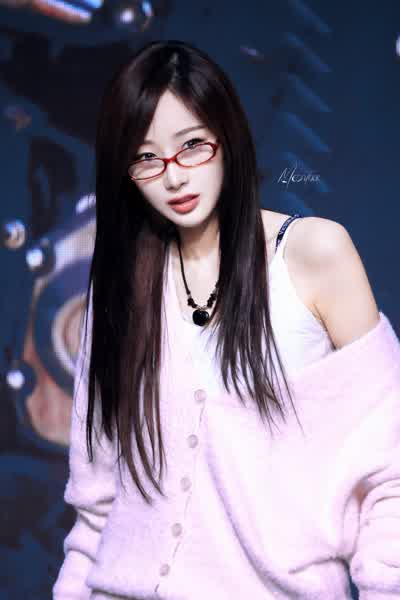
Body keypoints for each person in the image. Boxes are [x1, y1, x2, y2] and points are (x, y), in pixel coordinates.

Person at [53, 40, 400, 600]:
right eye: (146, 157)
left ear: (227, 135)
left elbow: (391, 473)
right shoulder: (120, 285)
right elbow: (95, 511)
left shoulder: (314, 254)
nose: (173, 177)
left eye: (191, 145)